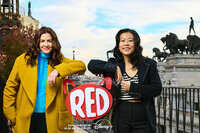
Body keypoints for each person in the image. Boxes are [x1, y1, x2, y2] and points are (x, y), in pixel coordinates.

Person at [3, 26, 86, 133]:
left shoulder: (60, 60)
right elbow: (10, 89)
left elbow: (82, 66)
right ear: (37, 42)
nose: (46, 44)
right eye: (42, 41)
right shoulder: (22, 60)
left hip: (53, 118)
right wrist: (11, 115)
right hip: (26, 118)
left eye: (49, 41)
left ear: (54, 43)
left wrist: (58, 70)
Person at [88, 28, 162, 133]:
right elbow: (91, 65)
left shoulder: (149, 64)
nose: (126, 44)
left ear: (136, 43)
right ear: (118, 45)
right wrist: (114, 68)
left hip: (143, 114)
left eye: (130, 40)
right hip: (120, 113)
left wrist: (132, 87)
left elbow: (156, 89)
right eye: (122, 41)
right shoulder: (114, 63)